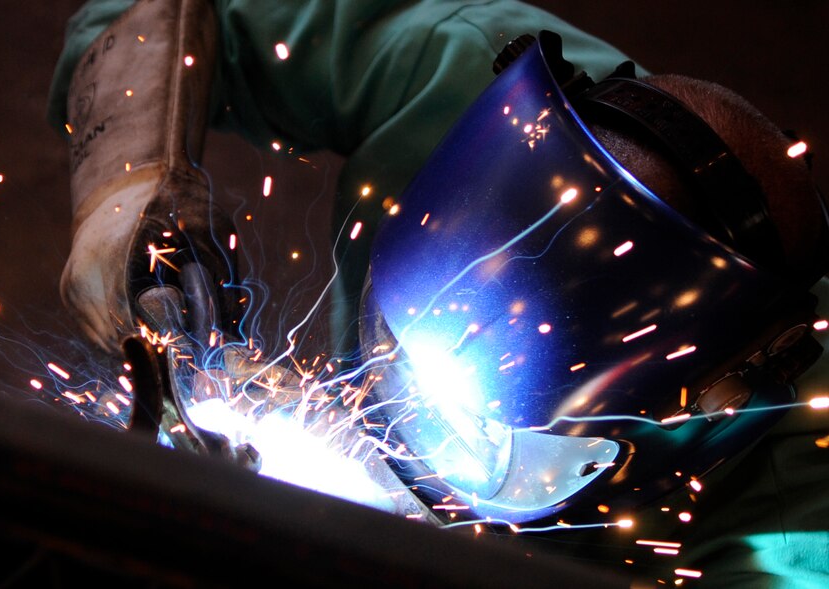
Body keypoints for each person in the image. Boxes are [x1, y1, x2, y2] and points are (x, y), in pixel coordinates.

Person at [47, 1, 829, 586]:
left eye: (478, 440)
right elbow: (163, 15)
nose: (394, 436)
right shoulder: (465, 77)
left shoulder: (795, 536)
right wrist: (130, 187)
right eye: (399, 364)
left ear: (701, 413)